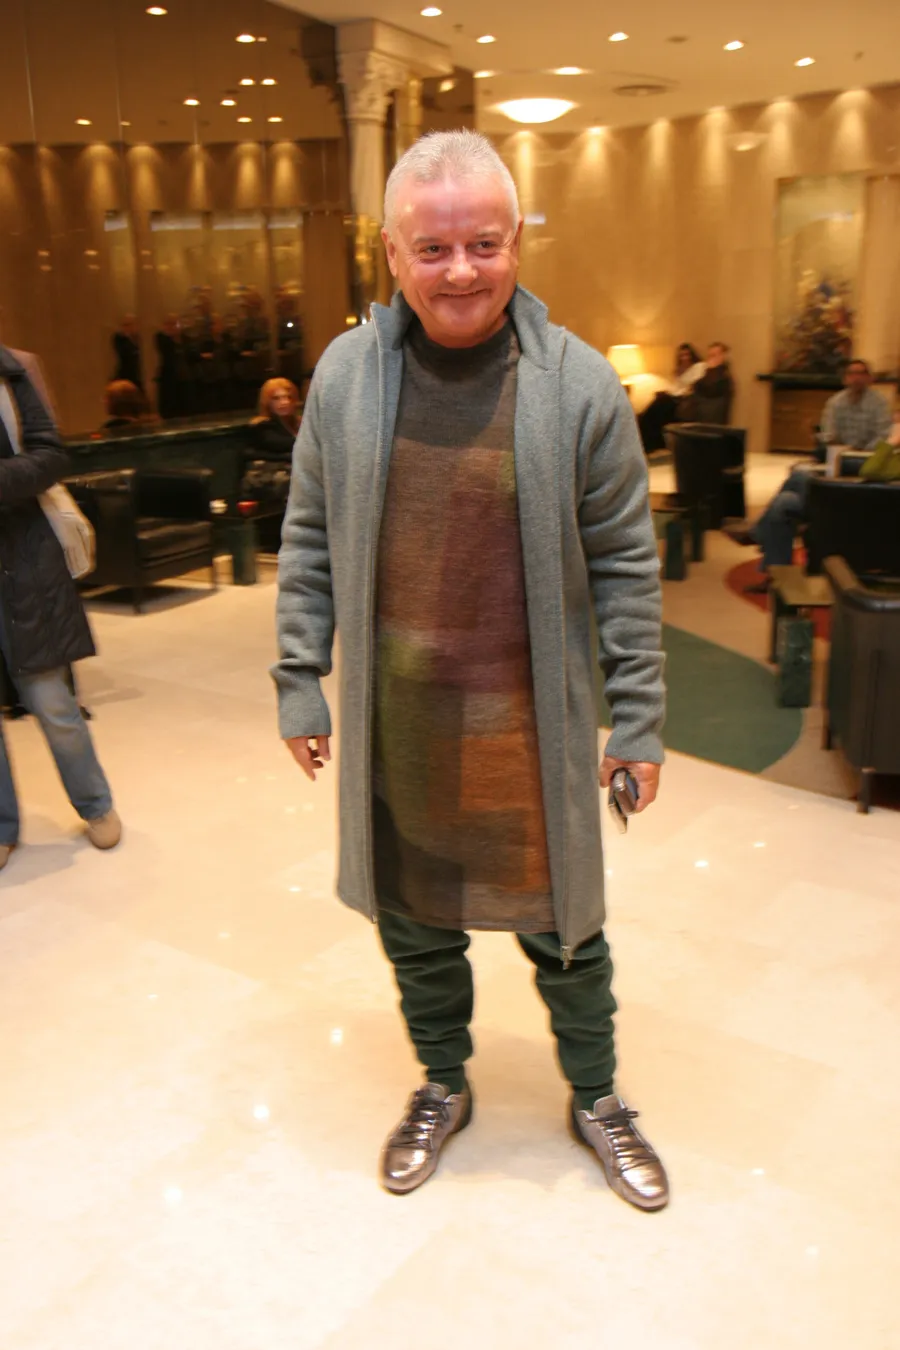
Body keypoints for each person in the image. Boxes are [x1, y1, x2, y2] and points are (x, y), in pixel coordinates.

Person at [273, 130, 668, 1210]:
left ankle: (598, 1097)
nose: (461, 271)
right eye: (434, 248)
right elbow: (307, 538)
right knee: (415, 928)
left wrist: (638, 719)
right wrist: (298, 677)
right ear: (391, 253)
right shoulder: (346, 377)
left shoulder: (578, 386)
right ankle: (443, 1082)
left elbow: (627, 568)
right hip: (398, 725)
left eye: (483, 244)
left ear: (518, 242)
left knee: (569, 937)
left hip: (530, 735)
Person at [0, 346, 121, 871]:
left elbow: (50, 455)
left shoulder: (11, 372)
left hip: (22, 560)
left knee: (52, 702)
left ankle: (96, 805)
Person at [726, 359, 892, 584]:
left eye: (862, 373)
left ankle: (757, 532)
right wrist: (836, 446)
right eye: (852, 373)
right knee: (786, 498)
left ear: (870, 378)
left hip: (861, 481)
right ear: (845, 378)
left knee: (798, 478)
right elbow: (829, 435)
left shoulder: (879, 404)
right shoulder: (836, 402)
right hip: (837, 466)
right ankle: (777, 576)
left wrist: (857, 452)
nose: (857, 378)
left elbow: (880, 441)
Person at [637, 342, 704, 452]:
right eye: (682, 355)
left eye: (687, 354)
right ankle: (644, 432)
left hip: (683, 399)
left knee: (660, 405)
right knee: (654, 407)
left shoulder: (698, 366)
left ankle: (651, 443)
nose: (684, 358)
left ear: (692, 355)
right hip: (674, 396)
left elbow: (694, 385)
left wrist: (682, 391)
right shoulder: (680, 369)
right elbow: (675, 387)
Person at [250, 378, 301, 462]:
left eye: (288, 397)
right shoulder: (262, 426)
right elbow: (279, 444)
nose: (284, 402)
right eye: (276, 398)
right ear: (267, 402)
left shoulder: (300, 422)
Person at [683, 341, 734, 423]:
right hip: (698, 417)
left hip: (710, 422)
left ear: (723, 356)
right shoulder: (708, 374)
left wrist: (710, 370)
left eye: (713, 355)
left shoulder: (724, 378)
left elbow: (707, 389)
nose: (710, 360)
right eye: (709, 356)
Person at [111, 314, 143, 390]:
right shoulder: (119, 338)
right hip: (124, 374)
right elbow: (123, 353)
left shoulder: (136, 337)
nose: (129, 327)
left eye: (131, 325)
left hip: (136, 374)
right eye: (126, 325)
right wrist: (127, 337)